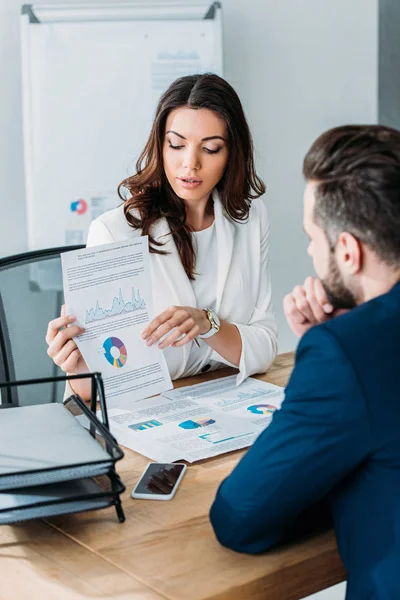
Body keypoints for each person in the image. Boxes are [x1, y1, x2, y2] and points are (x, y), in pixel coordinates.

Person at [210, 124, 400, 599]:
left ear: (349, 251)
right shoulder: (352, 345)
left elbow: (241, 517)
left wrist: (338, 351)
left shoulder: (346, 354)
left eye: (314, 239)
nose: (312, 253)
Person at [45, 73, 277, 401]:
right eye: (177, 145)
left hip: (229, 400)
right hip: (153, 412)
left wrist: (208, 324)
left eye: (210, 149)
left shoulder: (250, 218)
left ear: (231, 154)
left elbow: (265, 346)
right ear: (161, 145)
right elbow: (97, 390)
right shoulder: (114, 232)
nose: (190, 164)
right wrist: (78, 367)